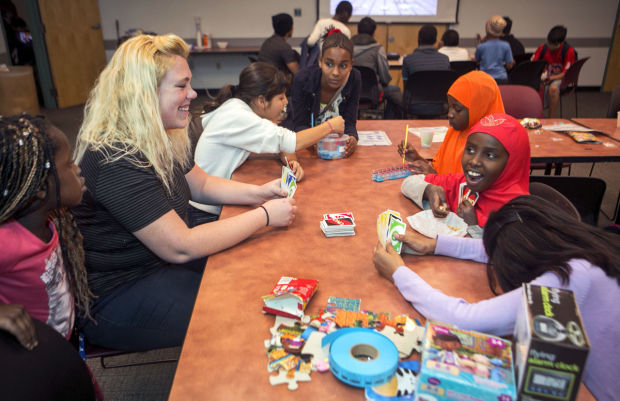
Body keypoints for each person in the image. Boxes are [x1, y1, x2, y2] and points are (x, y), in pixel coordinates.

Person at [72, 34, 296, 351]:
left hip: (155, 266)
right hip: (118, 293)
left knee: (249, 274)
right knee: (242, 308)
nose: (193, 93)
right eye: (181, 85)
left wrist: (260, 192)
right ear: (144, 94)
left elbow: (201, 184)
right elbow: (180, 246)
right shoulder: (115, 156)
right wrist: (264, 216)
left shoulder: (160, 135)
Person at [373, 195, 620, 401]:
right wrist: (433, 244)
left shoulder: (567, 278)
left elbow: (464, 320)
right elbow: (491, 247)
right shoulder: (572, 246)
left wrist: (398, 273)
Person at [0, 114, 95, 400]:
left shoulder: (54, 219)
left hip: (62, 344)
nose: (78, 170)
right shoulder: (8, 240)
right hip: (28, 364)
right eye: (68, 164)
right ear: (39, 187)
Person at [191, 62, 345, 224]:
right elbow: (292, 141)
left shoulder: (237, 107)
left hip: (211, 200)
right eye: (280, 97)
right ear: (261, 101)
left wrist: (291, 161)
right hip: (206, 212)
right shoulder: (240, 117)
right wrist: (330, 126)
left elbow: (280, 140)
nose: (286, 102)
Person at [400, 114, 530, 237]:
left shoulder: (519, 213)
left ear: (513, 163)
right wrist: (430, 190)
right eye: (470, 150)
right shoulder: (463, 184)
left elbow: (504, 255)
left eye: (490, 155)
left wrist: (473, 227)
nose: (474, 161)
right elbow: (409, 182)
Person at [399, 70, 505, 175]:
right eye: (449, 107)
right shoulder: (455, 132)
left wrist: (434, 177)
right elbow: (441, 170)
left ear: (479, 109)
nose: (450, 114)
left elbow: (468, 187)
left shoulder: (490, 147)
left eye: (457, 109)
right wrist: (418, 159)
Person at [288, 29, 360, 157]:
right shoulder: (302, 79)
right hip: (308, 152)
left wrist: (352, 139)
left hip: (337, 151)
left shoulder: (354, 78)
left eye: (343, 66)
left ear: (351, 65)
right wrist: (310, 141)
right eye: (329, 64)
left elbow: (349, 122)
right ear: (320, 61)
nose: (335, 72)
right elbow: (300, 124)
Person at [384, 24, 450, 119]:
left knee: (392, 95)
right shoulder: (445, 59)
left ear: (418, 39)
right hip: (440, 107)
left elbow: (407, 88)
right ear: (435, 40)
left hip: (414, 106)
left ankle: (392, 129)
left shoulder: (408, 60)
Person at [532, 25, 576, 118]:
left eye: (553, 45)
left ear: (561, 43)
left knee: (553, 89)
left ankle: (550, 119)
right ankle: (537, 116)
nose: (550, 47)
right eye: (549, 43)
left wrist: (550, 78)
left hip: (559, 78)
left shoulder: (568, 51)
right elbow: (533, 64)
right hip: (542, 77)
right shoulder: (542, 48)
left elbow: (565, 73)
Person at [351, 17, 392, 92]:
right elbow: (385, 78)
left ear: (357, 31)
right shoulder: (378, 49)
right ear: (374, 33)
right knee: (395, 90)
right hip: (372, 93)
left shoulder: (346, 48)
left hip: (350, 92)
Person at [475, 16, 514, 83]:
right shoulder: (506, 45)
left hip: (485, 78)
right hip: (502, 79)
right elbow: (509, 66)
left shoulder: (481, 46)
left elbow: (477, 62)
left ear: (487, 29)